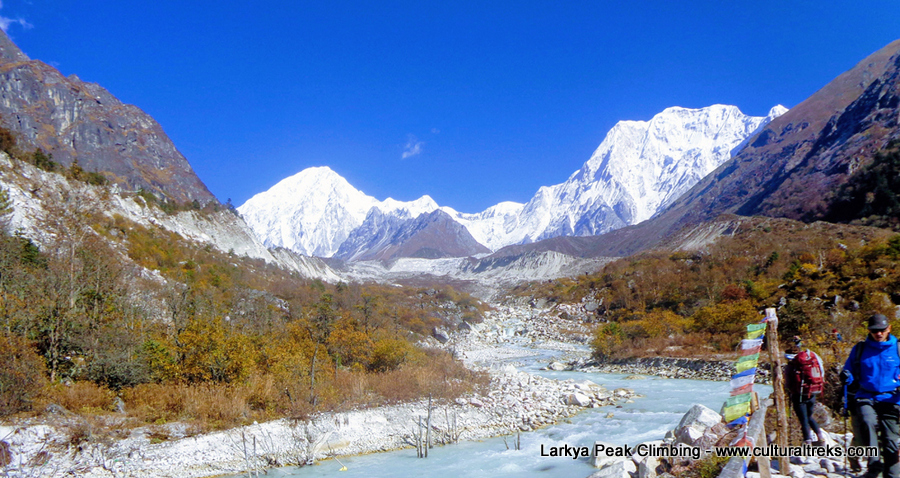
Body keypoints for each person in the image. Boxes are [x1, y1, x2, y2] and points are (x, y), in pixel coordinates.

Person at [841, 314, 900, 478]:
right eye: (875, 330)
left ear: (889, 328)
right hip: (866, 396)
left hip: (892, 398)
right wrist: (846, 375)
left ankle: (892, 474)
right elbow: (850, 371)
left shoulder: (898, 349)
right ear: (869, 330)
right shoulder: (860, 349)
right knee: (867, 422)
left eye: (882, 330)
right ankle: (874, 467)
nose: (878, 333)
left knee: (890, 438)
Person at [786, 336, 827, 445]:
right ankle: (820, 437)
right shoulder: (809, 359)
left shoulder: (791, 365)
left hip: (798, 394)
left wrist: (789, 391)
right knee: (808, 416)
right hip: (812, 391)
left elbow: (788, 382)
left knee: (803, 418)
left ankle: (807, 441)